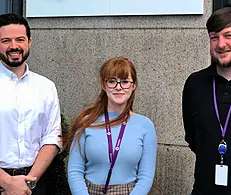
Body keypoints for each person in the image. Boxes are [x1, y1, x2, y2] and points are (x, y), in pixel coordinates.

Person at [182, 6, 231, 195]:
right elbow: (193, 139)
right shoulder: (195, 84)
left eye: (228, 35)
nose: (221, 44)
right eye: (214, 37)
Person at [66, 57, 157, 195]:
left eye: (125, 82)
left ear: (133, 86)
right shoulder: (87, 123)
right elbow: (75, 170)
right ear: (103, 85)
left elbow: (146, 176)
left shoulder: (145, 125)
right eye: (112, 81)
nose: (118, 87)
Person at [0, 13, 62, 195]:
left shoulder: (46, 87)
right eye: (5, 40)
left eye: (20, 39)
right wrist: (7, 182)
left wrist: (29, 182)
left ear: (29, 42)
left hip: (35, 184)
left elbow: (53, 136)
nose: (14, 46)